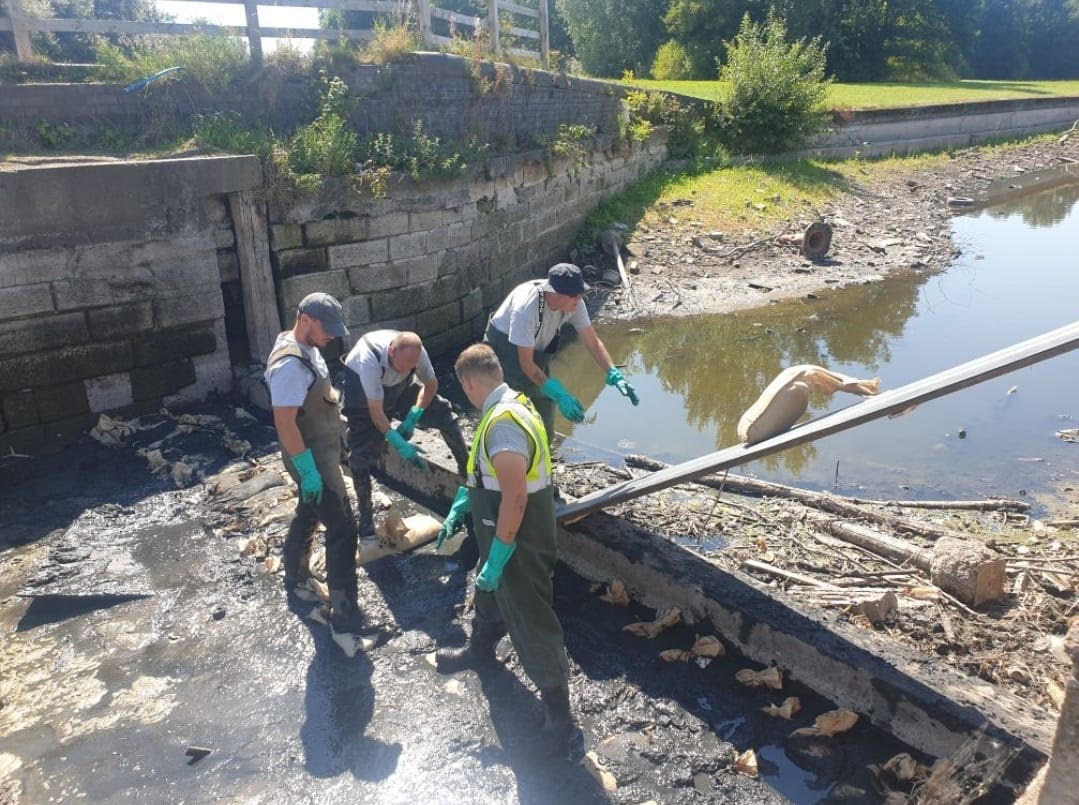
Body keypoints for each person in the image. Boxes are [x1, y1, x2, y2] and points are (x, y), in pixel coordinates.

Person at [433, 343, 575, 749]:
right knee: (489, 594)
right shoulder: (514, 404)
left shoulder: (503, 423)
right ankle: (479, 649)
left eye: (464, 389)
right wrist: (467, 499)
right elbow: (495, 474)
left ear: (469, 382)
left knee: (530, 616)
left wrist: (497, 556)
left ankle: (558, 712)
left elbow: (515, 498)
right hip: (500, 531)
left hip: (517, 540)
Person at [265, 292, 370, 657]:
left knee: (310, 510)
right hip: (309, 457)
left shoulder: (305, 347)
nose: (332, 337)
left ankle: (294, 573)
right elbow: (285, 422)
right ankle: (345, 613)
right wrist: (309, 471)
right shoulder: (289, 366)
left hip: (322, 449)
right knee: (343, 529)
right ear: (305, 319)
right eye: (327, 330)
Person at [484, 262, 640, 442]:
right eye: (574, 295)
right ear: (555, 293)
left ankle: (543, 450)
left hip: (533, 352)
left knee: (544, 409)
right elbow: (526, 365)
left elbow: (593, 343)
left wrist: (613, 372)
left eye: (581, 293)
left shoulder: (575, 304)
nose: (579, 298)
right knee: (509, 412)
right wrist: (560, 394)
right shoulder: (526, 309)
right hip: (506, 353)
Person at [341, 330, 469, 536]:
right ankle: (365, 517)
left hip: (399, 388)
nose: (410, 368)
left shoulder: (416, 353)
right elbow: (376, 412)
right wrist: (398, 442)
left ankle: (467, 466)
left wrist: (414, 415)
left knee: (444, 413)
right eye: (406, 364)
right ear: (391, 351)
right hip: (364, 397)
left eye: (413, 364)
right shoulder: (369, 360)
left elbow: (431, 384)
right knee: (360, 456)